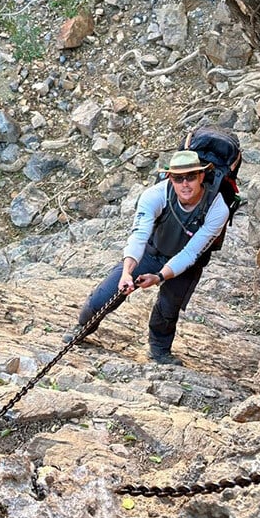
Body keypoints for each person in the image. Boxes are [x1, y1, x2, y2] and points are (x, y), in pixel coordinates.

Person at [69, 150, 229, 366]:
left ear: (201, 176)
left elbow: (191, 253)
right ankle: (83, 327)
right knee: (104, 295)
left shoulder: (217, 208)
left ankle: (159, 350)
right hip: (151, 252)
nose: (185, 184)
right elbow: (139, 235)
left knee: (168, 308)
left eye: (191, 176)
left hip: (186, 265)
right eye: (178, 178)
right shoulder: (154, 195)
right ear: (169, 178)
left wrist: (160, 277)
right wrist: (127, 272)